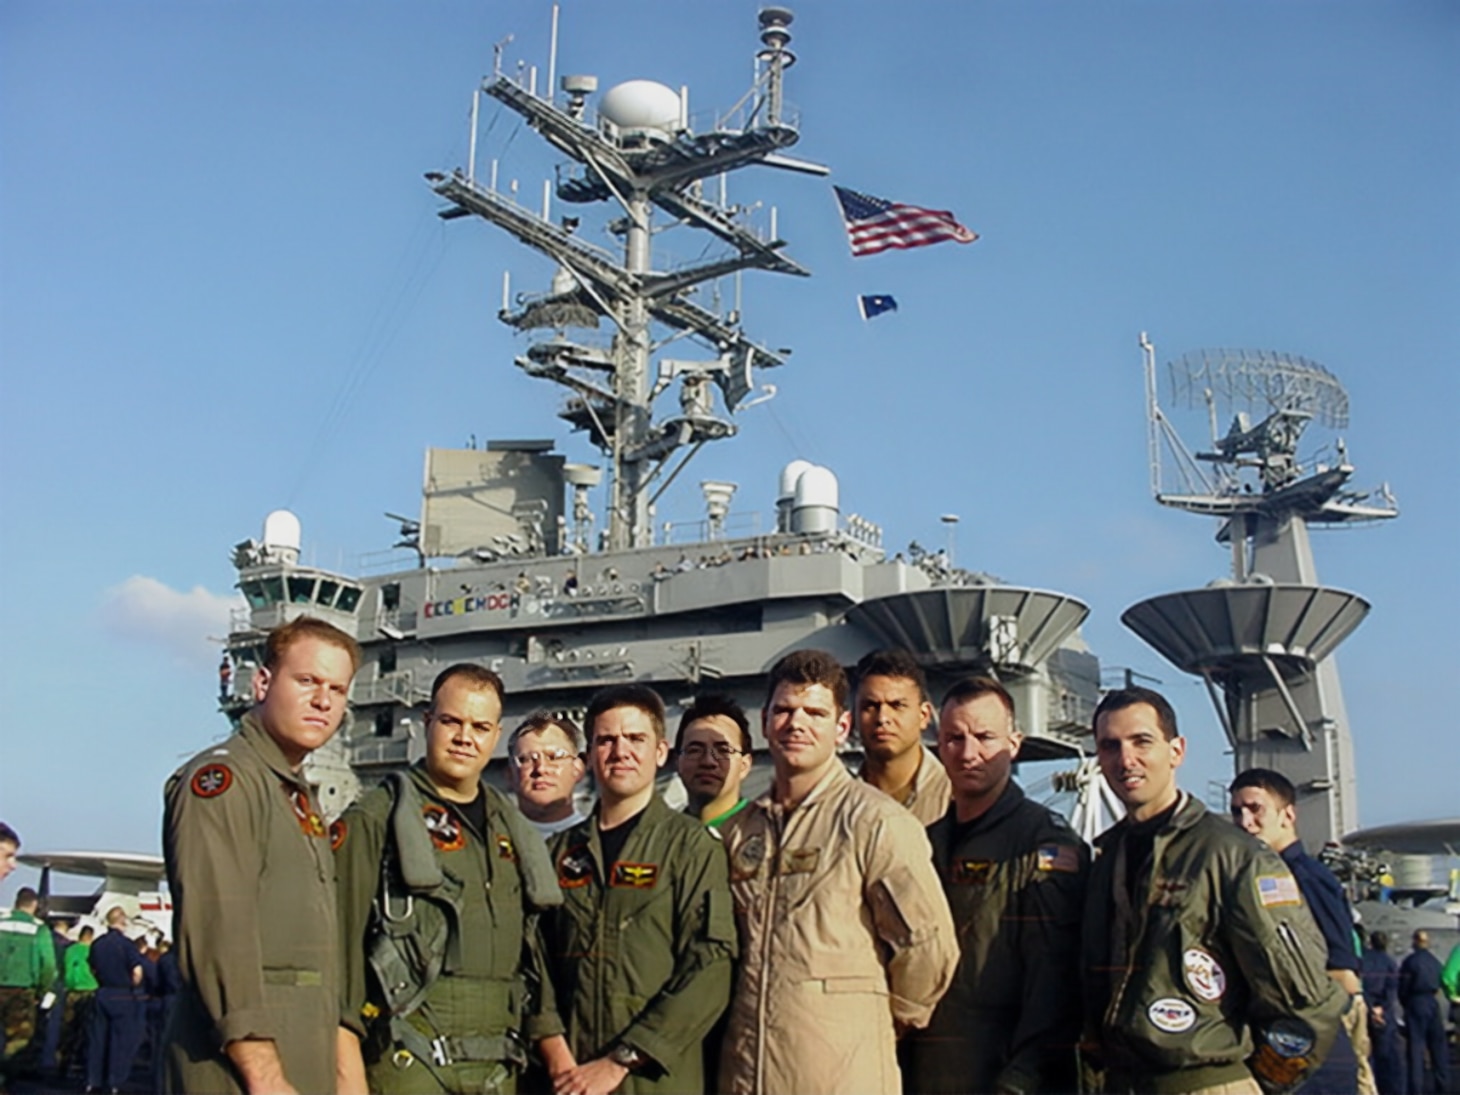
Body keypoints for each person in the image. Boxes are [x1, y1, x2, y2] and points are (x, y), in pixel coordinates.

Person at [1081, 685, 1344, 1095]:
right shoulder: (1106, 860)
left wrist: (1258, 1082)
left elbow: (1307, 1004)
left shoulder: (1233, 856)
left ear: (1176, 751)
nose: (1125, 759)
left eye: (1141, 742)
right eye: (1110, 746)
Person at [718, 649, 959, 1094]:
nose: (797, 724)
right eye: (785, 711)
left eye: (814, 712)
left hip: (842, 1073)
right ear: (766, 720)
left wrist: (883, 1018)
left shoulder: (874, 822)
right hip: (747, 1071)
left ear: (841, 727)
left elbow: (929, 945)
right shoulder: (739, 832)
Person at [333, 663, 571, 1094]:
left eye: (480, 726)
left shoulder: (513, 832)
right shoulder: (377, 819)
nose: (465, 738)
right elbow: (336, 960)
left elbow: (531, 961)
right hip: (410, 1062)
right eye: (451, 722)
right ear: (427, 723)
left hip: (500, 1067)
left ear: (496, 736)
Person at [162, 614, 360, 1094]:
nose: (322, 701)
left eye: (336, 690)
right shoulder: (225, 783)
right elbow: (217, 927)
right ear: (263, 682)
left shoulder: (292, 794)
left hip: (299, 1056)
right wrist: (264, 1072)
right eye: (308, 681)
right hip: (239, 1069)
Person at [542, 683, 735, 1095]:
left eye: (635, 739)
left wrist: (621, 1060)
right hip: (566, 1077)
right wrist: (557, 1055)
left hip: (654, 1080)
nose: (620, 751)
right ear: (590, 755)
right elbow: (531, 963)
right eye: (606, 740)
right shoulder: (556, 853)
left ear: (661, 752)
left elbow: (710, 967)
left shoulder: (692, 849)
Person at [903, 675, 1089, 1094]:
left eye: (985, 737)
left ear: (1014, 743)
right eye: (954, 738)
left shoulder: (1042, 843)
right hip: (928, 1068)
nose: (969, 753)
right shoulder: (924, 843)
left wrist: (1024, 1075)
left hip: (1003, 1071)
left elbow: (1054, 977)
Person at [1230, 767, 1369, 1094]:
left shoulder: (1305, 878)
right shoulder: (1255, 877)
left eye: (1255, 809)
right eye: (1237, 811)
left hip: (1314, 1034)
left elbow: (1341, 969)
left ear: (1287, 814)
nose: (1244, 821)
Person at [852, 648, 951, 826]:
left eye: (897, 705)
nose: (882, 718)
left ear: (924, 716)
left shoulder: (955, 799)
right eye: (870, 706)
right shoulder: (837, 804)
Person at [0, 886, 57, 1084]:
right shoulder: (38, 929)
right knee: (18, 1041)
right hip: (21, 992)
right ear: (34, 905)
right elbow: (48, 964)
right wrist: (43, 989)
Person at [674, 693, 754, 831]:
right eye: (695, 750)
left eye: (723, 751)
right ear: (677, 761)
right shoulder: (659, 838)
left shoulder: (769, 832)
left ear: (744, 765)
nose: (708, 761)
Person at [86, 905, 143, 1094]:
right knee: (120, 1041)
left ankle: (93, 1080)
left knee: (97, 1039)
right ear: (123, 922)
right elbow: (137, 971)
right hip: (122, 994)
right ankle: (114, 1082)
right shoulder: (127, 945)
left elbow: (92, 968)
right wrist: (134, 985)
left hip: (102, 992)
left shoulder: (98, 944)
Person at [508, 713, 589, 838]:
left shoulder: (599, 844)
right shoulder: (490, 845)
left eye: (554, 757)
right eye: (527, 759)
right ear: (510, 774)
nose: (541, 768)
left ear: (578, 768)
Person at [1398, 930, 1449, 1095]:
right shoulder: (1435, 962)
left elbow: (1403, 987)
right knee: (1438, 1046)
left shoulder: (1410, 962)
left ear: (1414, 941)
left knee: (1416, 1048)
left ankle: (1416, 1087)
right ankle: (1442, 1084)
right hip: (1432, 1002)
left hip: (1416, 1001)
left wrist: (1405, 1004)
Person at [1361, 931, 1404, 1095]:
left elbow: (1361, 985)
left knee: (1366, 1052)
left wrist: (1371, 1007)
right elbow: (1392, 989)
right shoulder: (1390, 962)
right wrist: (1382, 1008)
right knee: (1387, 1055)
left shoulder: (1363, 961)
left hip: (1367, 1008)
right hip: (1384, 1011)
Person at [58, 924, 99, 1081]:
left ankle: (64, 1062)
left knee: (68, 1028)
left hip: (72, 991)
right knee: (87, 1029)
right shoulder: (91, 951)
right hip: (90, 991)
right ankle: (82, 1063)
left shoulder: (70, 950)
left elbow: (65, 970)